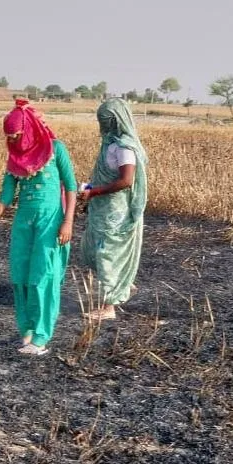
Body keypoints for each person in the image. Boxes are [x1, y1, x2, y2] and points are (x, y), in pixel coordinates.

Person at [0, 98, 78, 356]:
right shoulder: (15, 160)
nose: (13, 141)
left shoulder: (56, 149)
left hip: (50, 223)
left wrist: (68, 221)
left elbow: (72, 186)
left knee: (43, 276)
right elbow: (5, 198)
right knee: (21, 276)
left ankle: (42, 336)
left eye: (17, 135)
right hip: (23, 224)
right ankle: (27, 330)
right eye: (8, 137)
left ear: (29, 129)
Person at [78, 97, 148, 321]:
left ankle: (109, 308)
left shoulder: (125, 147)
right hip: (103, 209)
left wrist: (94, 192)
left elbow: (126, 180)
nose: (102, 125)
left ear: (115, 120)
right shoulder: (110, 144)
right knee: (92, 250)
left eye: (105, 120)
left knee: (107, 254)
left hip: (115, 213)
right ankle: (123, 284)